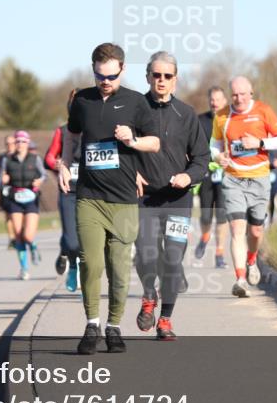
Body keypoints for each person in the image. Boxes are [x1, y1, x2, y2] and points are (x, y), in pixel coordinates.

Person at [58, 43, 160, 355]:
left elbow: (155, 143)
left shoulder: (136, 102)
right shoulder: (83, 101)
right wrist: (64, 164)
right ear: (93, 71)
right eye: (100, 76)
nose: (106, 81)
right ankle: (92, 324)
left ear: (123, 70)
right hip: (89, 196)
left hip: (124, 198)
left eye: (112, 76)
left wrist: (133, 140)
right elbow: (72, 134)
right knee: (91, 263)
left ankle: (114, 326)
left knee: (118, 267)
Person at [133, 52, 209, 341]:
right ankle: (148, 295)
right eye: (156, 75)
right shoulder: (135, 110)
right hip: (146, 200)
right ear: (148, 77)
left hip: (178, 199)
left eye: (167, 76)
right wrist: (132, 173)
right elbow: (122, 149)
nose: (161, 80)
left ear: (175, 79)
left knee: (174, 259)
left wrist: (189, 176)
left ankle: (165, 319)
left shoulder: (187, 114)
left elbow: (202, 158)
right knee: (146, 256)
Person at [210, 76, 277, 298]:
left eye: (243, 94)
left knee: (255, 231)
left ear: (251, 93)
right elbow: (214, 144)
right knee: (237, 229)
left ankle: (252, 259)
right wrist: (218, 156)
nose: (239, 98)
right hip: (233, 178)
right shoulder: (222, 116)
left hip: (259, 178)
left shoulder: (264, 111)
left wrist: (260, 143)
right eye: (234, 94)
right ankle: (240, 279)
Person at [45, 89, 82, 291]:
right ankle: (72, 266)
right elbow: (49, 157)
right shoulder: (63, 130)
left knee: (84, 238)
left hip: (89, 190)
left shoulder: (95, 128)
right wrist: (59, 165)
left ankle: (75, 262)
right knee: (71, 240)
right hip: (68, 190)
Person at [1, 130, 46, 280]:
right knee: (18, 235)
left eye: (23, 141)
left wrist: (39, 181)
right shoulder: (7, 160)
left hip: (31, 198)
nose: (20, 144)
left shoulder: (35, 158)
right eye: (17, 141)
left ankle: (32, 246)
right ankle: (24, 268)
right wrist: (4, 179)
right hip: (15, 198)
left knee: (28, 235)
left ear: (28, 143)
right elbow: (0, 179)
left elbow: (44, 175)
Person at [193, 86, 229, 269]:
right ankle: (205, 236)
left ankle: (220, 253)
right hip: (206, 174)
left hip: (225, 175)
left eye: (218, 99)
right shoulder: (200, 120)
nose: (215, 102)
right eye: (212, 99)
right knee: (206, 216)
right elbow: (194, 146)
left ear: (225, 100)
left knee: (222, 215)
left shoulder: (231, 119)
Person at [0, 135, 17, 249]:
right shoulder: (1, 158)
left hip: (18, 189)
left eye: (12, 143)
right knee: (8, 215)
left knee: (18, 214)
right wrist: (1, 180)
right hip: (6, 190)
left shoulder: (19, 156)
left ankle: (19, 236)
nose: (10, 146)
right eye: (7, 144)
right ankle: (12, 239)